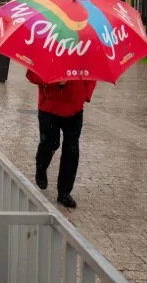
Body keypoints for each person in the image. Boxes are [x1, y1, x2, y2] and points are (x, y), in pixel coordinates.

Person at [26, 69, 97, 208]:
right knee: (50, 143)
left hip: (75, 110)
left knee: (71, 150)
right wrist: (55, 80)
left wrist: (84, 94)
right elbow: (32, 74)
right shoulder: (48, 49)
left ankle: (64, 192)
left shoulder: (84, 53)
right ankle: (41, 168)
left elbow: (92, 74)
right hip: (49, 108)